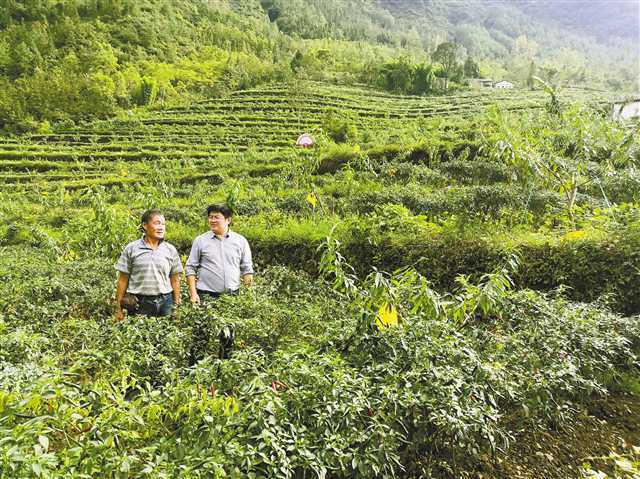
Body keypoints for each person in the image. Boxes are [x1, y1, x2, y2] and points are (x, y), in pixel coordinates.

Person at [114, 209, 183, 321]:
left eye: (163, 224)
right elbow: (122, 280)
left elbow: (175, 280)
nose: (161, 227)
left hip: (165, 302)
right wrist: (118, 309)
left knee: (167, 334)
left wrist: (176, 306)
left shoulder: (170, 249)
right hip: (139, 302)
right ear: (145, 225)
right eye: (157, 223)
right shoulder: (131, 248)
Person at [186, 203, 253, 304]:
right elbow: (190, 268)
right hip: (206, 296)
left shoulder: (240, 241)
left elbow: (247, 269)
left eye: (217, 217)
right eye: (210, 217)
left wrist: (247, 296)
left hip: (233, 296)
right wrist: (193, 294)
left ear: (228, 220)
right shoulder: (200, 241)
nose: (212, 220)